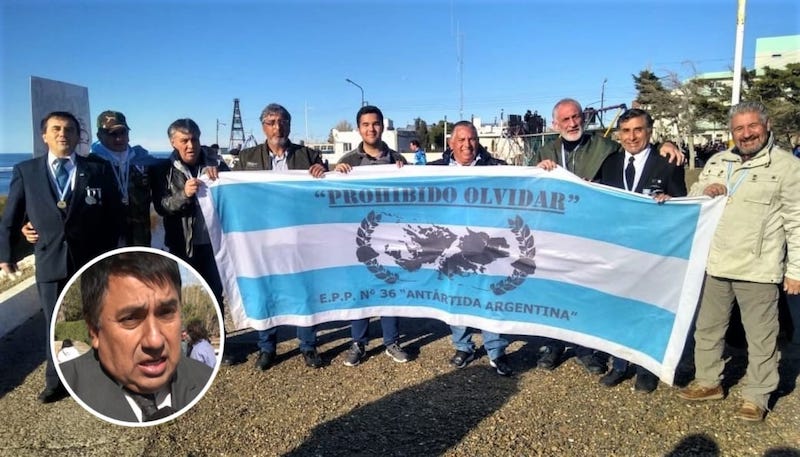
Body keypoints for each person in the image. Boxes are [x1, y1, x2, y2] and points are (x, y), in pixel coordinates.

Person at [534, 98, 685, 374]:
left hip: (594, 235)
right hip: (558, 235)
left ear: (584, 118)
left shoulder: (605, 148)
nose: (572, 123)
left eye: (576, 117)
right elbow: (527, 186)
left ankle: (587, 349)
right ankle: (553, 345)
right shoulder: (544, 151)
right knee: (555, 291)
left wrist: (667, 144)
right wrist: (537, 170)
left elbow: (638, 146)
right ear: (555, 124)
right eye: (565, 119)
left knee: (588, 292)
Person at [677, 101, 800, 422]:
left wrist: (796, 270)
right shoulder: (719, 161)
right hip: (715, 263)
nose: (746, 134)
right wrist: (706, 188)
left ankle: (757, 396)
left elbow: (797, 221)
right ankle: (708, 381)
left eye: (752, 126)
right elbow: (693, 196)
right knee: (707, 328)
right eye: (739, 129)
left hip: (758, 268)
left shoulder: (787, 167)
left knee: (761, 337)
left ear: (767, 125)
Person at [0, 111, 122, 403]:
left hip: (91, 262)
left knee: (97, 320)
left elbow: (114, 215)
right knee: (56, 323)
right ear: (44, 135)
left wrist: (109, 257)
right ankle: (56, 381)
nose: (62, 134)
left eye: (69, 129)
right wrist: (6, 253)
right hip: (50, 260)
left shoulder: (98, 169)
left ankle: (103, 374)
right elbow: (12, 216)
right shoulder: (26, 171)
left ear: (79, 136)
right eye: (55, 129)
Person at [59, 251, 213, 423]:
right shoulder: (67, 391)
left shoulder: (207, 380)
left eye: (166, 313)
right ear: (94, 330)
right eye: (130, 319)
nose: (155, 341)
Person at [597, 108, 687, 393]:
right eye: (625, 131)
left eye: (638, 130)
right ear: (619, 134)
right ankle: (620, 363)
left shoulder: (667, 162)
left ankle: (646, 368)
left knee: (648, 310)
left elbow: (683, 204)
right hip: (619, 251)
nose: (632, 137)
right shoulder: (610, 163)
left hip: (653, 253)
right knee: (619, 308)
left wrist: (671, 202)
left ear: (649, 131)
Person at [234, 103, 326, 370]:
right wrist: (214, 178)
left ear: (290, 125)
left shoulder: (308, 155)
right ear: (263, 126)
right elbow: (234, 193)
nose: (278, 127)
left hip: (300, 237)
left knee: (304, 290)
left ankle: (308, 345)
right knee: (266, 291)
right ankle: (267, 347)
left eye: (283, 121)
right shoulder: (247, 158)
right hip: (262, 237)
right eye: (272, 122)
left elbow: (324, 193)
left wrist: (322, 173)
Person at [427, 120, 513, 376]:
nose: (467, 145)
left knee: (489, 296)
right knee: (457, 296)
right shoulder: (433, 170)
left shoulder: (496, 168)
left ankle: (496, 351)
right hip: (452, 247)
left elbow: (524, 181)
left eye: (472, 139)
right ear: (451, 143)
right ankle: (463, 346)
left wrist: (543, 171)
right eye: (461, 140)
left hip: (487, 246)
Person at [151, 119, 233, 364]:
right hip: (181, 246)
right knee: (179, 298)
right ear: (173, 143)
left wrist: (220, 179)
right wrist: (183, 195)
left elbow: (232, 196)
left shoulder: (217, 164)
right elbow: (162, 206)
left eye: (194, 139)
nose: (190, 145)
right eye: (184, 140)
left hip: (213, 244)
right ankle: (182, 348)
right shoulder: (162, 170)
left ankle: (222, 346)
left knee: (215, 294)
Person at [334, 105, 409, 366]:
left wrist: (405, 172)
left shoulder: (398, 159)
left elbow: (411, 195)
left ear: (383, 126)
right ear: (358, 129)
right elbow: (333, 197)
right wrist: (336, 174)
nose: (371, 129)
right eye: (366, 124)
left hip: (391, 237)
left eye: (375, 123)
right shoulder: (348, 161)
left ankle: (391, 342)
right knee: (361, 289)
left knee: (390, 286)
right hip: (358, 237)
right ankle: (358, 342)